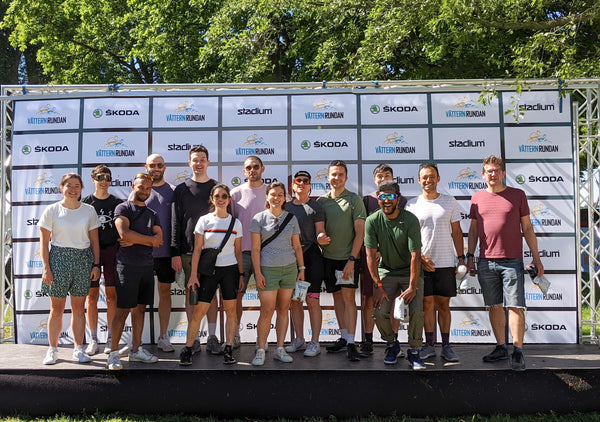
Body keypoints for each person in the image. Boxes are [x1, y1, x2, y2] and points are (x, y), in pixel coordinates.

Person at [467, 155, 544, 371]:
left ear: (503, 173)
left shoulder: (517, 195)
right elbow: (473, 231)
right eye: (488, 171)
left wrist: (536, 257)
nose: (492, 174)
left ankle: (517, 351)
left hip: (513, 261)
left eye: (496, 170)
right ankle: (501, 347)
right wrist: (470, 256)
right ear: (483, 175)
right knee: (494, 306)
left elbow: (527, 228)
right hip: (485, 262)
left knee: (516, 306)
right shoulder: (476, 198)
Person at [38, 173, 101, 365]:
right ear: (61, 187)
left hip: (83, 261)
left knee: (79, 309)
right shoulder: (51, 210)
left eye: (76, 186)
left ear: (82, 188)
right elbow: (44, 243)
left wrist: (96, 264)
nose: (73, 189)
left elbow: (94, 241)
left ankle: (78, 349)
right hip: (58, 260)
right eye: (69, 185)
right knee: (56, 309)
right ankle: (52, 349)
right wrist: (46, 268)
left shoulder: (89, 211)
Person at [179, 184, 244, 365]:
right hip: (208, 272)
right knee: (199, 313)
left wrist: (240, 275)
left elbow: (238, 252)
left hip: (230, 271)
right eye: (217, 196)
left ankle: (229, 349)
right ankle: (188, 349)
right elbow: (198, 250)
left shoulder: (236, 223)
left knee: (231, 312)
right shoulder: (204, 221)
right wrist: (193, 275)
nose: (221, 199)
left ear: (229, 200)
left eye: (224, 196)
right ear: (212, 199)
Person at [364, 181, 425, 369]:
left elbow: (415, 256)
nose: (386, 201)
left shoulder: (410, 220)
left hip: (410, 273)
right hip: (387, 273)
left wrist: (413, 287)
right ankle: (392, 344)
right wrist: (378, 286)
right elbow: (370, 256)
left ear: (398, 198)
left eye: (390, 196)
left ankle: (414, 351)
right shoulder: (372, 221)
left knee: (416, 310)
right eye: (382, 196)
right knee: (379, 312)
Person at [406, 163, 463, 362]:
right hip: (421, 264)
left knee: (443, 305)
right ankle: (429, 345)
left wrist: (461, 258)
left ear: (438, 178)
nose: (428, 180)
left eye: (432, 176)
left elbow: (456, 232)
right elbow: (408, 237)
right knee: (427, 304)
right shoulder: (411, 205)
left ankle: (446, 346)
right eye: (424, 177)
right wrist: (420, 258)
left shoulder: (450, 202)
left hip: (446, 262)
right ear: (419, 180)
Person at [107, 173, 162, 370]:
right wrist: (148, 239)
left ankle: (136, 350)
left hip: (147, 267)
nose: (145, 191)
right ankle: (113, 354)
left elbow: (159, 239)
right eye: (141, 187)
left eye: (148, 189)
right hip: (127, 266)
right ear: (133, 186)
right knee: (121, 311)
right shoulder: (123, 208)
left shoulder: (152, 214)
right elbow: (123, 234)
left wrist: (136, 238)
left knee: (140, 310)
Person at [171, 146, 219, 354]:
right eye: (195, 160)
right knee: (191, 295)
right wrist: (175, 251)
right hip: (188, 251)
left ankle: (212, 336)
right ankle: (193, 337)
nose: (199, 163)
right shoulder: (181, 190)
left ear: (208, 163)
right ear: (189, 163)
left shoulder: (217, 188)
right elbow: (175, 222)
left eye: (202, 160)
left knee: (211, 296)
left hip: (214, 252)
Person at [250, 181, 305, 365]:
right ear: (267, 196)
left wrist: (301, 269)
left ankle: (279, 348)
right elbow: (255, 249)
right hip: (267, 270)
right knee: (267, 311)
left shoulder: (292, 218)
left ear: (285, 197)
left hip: (289, 269)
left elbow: (297, 246)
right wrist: (258, 273)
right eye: (273, 194)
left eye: (280, 194)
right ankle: (260, 349)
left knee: (283, 310)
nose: (276, 198)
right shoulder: (258, 218)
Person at [316, 160, 366, 362]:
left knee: (348, 300)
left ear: (346, 177)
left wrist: (352, 259)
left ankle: (353, 342)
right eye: (333, 174)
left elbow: (360, 233)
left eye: (340, 174)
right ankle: (345, 337)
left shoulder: (354, 200)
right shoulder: (321, 201)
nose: (336, 178)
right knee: (337, 300)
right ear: (328, 177)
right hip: (328, 259)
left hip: (348, 260)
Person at [359, 163, 406, 357]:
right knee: (368, 298)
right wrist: (375, 249)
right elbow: (363, 229)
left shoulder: (402, 202)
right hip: (371, 259)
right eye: (380, 176)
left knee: (393, 299)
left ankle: (393, 341)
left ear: (393, 178)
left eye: (387, 175)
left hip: (394, 260)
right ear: (375, 180)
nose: (384, 179)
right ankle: (368, 340)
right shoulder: (367, 200)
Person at [132, 154, 176, 353]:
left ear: (164, 167)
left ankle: (163, 336)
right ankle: (136, 342)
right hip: (142, 254)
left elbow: (178, 224)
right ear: (146, 167)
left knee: (165, 293)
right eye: (152, 165)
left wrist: (176, 251)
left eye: (159, 165)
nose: (156, 168)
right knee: (140, 299)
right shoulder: (139, 191)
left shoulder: (174, 191)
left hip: (166, 254)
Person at [284, 171, 329, 357]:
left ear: (310, 185)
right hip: (290, 258)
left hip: (312, 257)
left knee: (312, 300)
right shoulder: (285, 206)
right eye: (298, 181)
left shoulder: (316, 206)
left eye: (305, 181)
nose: (301, 183)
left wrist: (322, 238)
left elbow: (320, 231)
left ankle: (315, 342)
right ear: (293, 186)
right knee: (294, 301)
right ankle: (300, 339)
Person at [82, 165, 123, 356]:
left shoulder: (118, 203)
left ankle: (110, 338)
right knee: (91, 297)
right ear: (93, 180)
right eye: (100, 177)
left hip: (112, 253)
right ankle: (93, 339)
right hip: (90, 254)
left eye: (107, 177)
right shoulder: (86, 204)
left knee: (112, 297)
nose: (104, 181)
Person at [230, 156, 268, 348]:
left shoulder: (272, 193)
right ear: (244, 171)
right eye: (248, 168)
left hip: (266, 254)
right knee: (237, 296)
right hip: (242, 253)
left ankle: (263, 339)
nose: (252, 170)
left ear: (262, 168)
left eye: (255, 167)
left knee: (268, 298)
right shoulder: (235, 194)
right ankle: (234, 334)